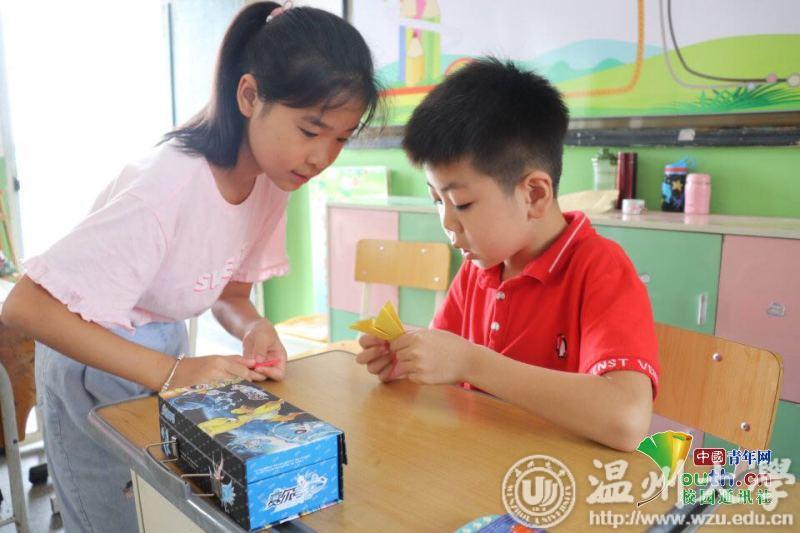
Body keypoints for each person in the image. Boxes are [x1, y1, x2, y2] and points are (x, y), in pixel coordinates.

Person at [1, 2, 382, 530]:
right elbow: (25, 306)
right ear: (249, 96)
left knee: (164, 512)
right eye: (310, 130)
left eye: (341, 138)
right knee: (113, 518)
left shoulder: (274, 182)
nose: (322, 157)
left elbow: (230, 294)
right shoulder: (169, 185)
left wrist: (253, 327)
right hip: (90, 353)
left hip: (161, 352)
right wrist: (174, 373)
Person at [355, 58, 658, 452]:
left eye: (461, 203)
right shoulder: (478, 266)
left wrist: (472, 363)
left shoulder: (600, 268)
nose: (447, 223)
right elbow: (450, 361)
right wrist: (412, 360)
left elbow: (627, 420)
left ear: (534, 194)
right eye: (436, 200)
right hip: (478, 463)